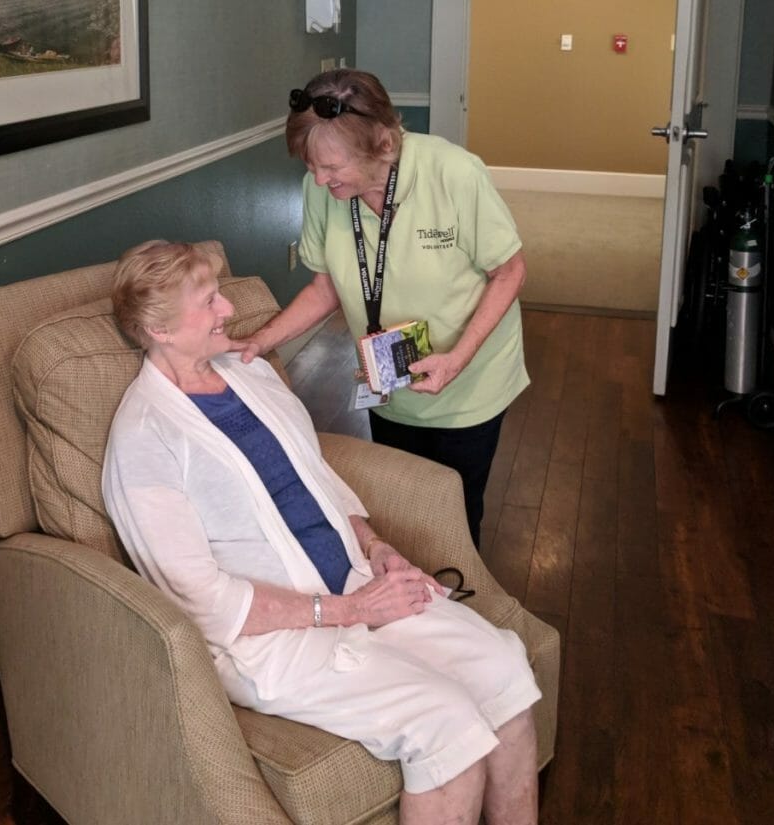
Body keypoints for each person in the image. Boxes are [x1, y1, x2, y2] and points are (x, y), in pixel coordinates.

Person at [102, 240, 541, 824]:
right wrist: (349, 610)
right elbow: (198, 598)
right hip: (278, 640)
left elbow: (317, 477)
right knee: (446, 725)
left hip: (358, 585)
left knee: (504, 669)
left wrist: (377, 549)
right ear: (159, 329)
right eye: (208, 303)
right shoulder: (144, 439)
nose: (228, 311)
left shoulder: (245, 372)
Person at [234, 69, 529, 548]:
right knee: (399, 508)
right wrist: (260, 341)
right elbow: (324, 287)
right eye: (310, 166)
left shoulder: (454, 173)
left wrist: (458, 359)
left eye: (331, 167)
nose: (318, 179)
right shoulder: (323, 192)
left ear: (385, 145)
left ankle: (459, 606)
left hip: (469, 384)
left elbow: (509, 271)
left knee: (455, 516)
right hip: (390, 378)